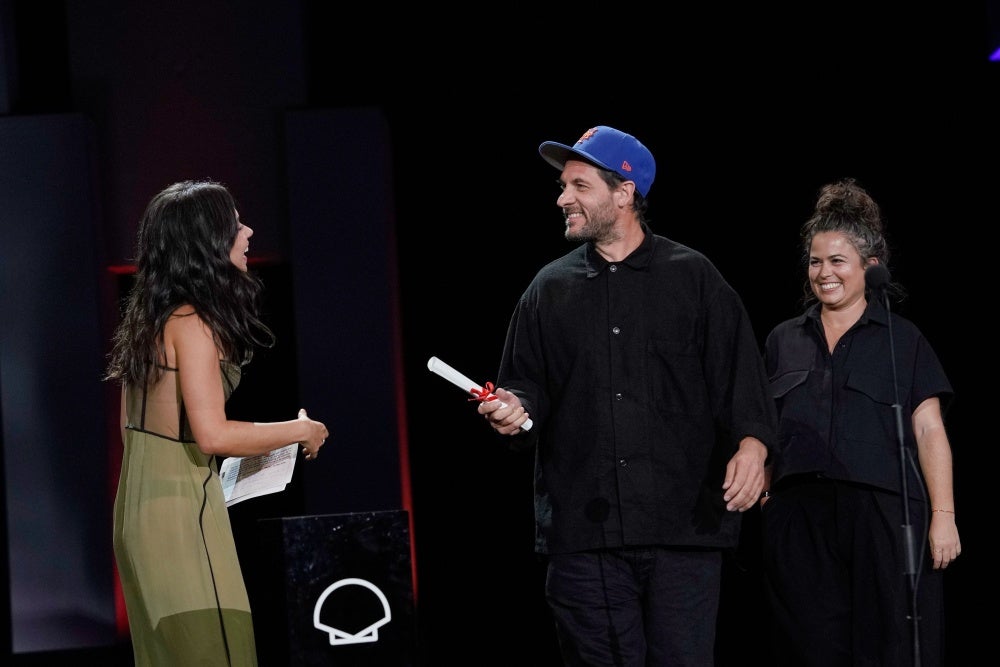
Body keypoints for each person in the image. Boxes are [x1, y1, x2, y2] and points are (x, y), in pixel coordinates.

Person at [477, 125, 777, 666]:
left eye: (579, 185)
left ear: (624, 193)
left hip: (682, 530)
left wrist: (753, 446)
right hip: (584, 538)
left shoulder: (694, 278)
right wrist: (514, 413)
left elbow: (742, 381)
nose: (563, 197)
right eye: (564, 185)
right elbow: (525, 390)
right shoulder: (548, 289)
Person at [104, 179, 329, 666]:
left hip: (143, 512)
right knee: (213, 651)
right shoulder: (193, 323)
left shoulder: (151, 319)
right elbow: (213, 434)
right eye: (235, 224)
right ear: (208, 240)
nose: (247, 232)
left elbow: (147, 431)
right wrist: (301, 430)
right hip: (179, 515)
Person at [759, 177, 961, 666]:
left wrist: (943, 515)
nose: (823, 273)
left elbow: (929, 428)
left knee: (887, 646)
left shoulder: (902, 339)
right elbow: (763, 425)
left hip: (882, 516)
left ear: (870, 268)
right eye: (815, 261)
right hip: (800, 517)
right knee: (808, 648)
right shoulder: (783, 339)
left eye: (836, 261)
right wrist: (766, 497)